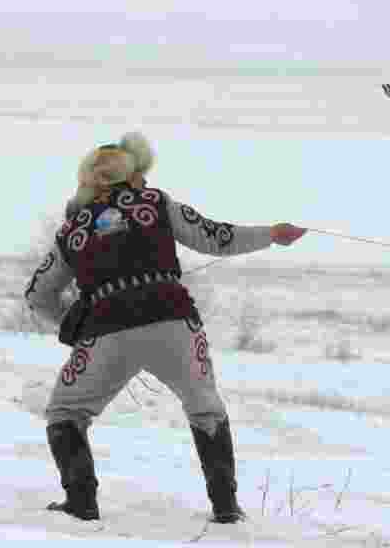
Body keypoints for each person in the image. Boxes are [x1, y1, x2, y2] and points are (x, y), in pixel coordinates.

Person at [24, 131, 306, 523]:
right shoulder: (156, 202)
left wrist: (73, 323)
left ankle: (81, 502)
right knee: (206, 409)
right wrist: (272, 234)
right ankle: (225, 507)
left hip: (106, 333)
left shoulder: (72, 230)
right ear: (132, 174)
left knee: (66, 412)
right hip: (175, 324)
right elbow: (215, 237)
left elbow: (38, 294)